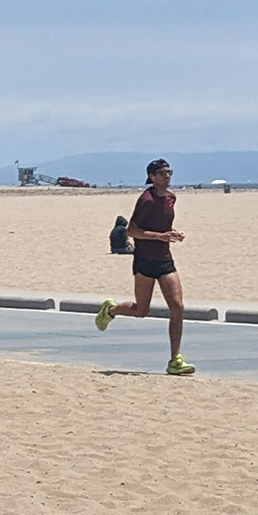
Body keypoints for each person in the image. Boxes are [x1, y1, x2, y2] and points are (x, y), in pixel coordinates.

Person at [96, 158, 195, 375]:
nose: (167, 176)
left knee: (177, 306)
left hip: (165, 260)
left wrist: (174, 234)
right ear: (152, 177)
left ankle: (175, 359)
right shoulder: (146, 200)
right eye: (162, 173)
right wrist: (160, 236)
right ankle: (111, 309)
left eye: (169, 172)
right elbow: (132, 231)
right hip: (144, 261)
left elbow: (163, 226)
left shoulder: (171, 198)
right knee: (142, 310)